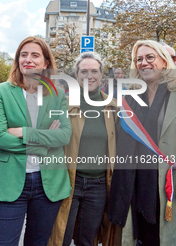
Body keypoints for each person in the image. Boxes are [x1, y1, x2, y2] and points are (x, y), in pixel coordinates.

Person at [0, 36, 72, 246]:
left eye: (35, 55)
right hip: (10, 181)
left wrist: (23, 131)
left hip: (48, 184)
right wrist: (44, 143)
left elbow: (64, 136)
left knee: (38, 242)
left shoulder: (57, 93)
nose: (28, 60)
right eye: (23, 55)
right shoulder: (3, 91)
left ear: (46, 63)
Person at [108, 40, 176, 245]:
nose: (143, 63)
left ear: (164, 62)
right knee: (141, 236)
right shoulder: (131, 97)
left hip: (168, 181)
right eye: (138, 59)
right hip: (135, 182)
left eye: (149, 57)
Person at [48, 52, 120, 246]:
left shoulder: (113, 108)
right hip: (69, 181)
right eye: (84, 71)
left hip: (98, 185)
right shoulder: (62, 104)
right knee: (60, 236)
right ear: (77, 76)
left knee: (87, 239)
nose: (90, 76)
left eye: (94, 71)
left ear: (102, 74)